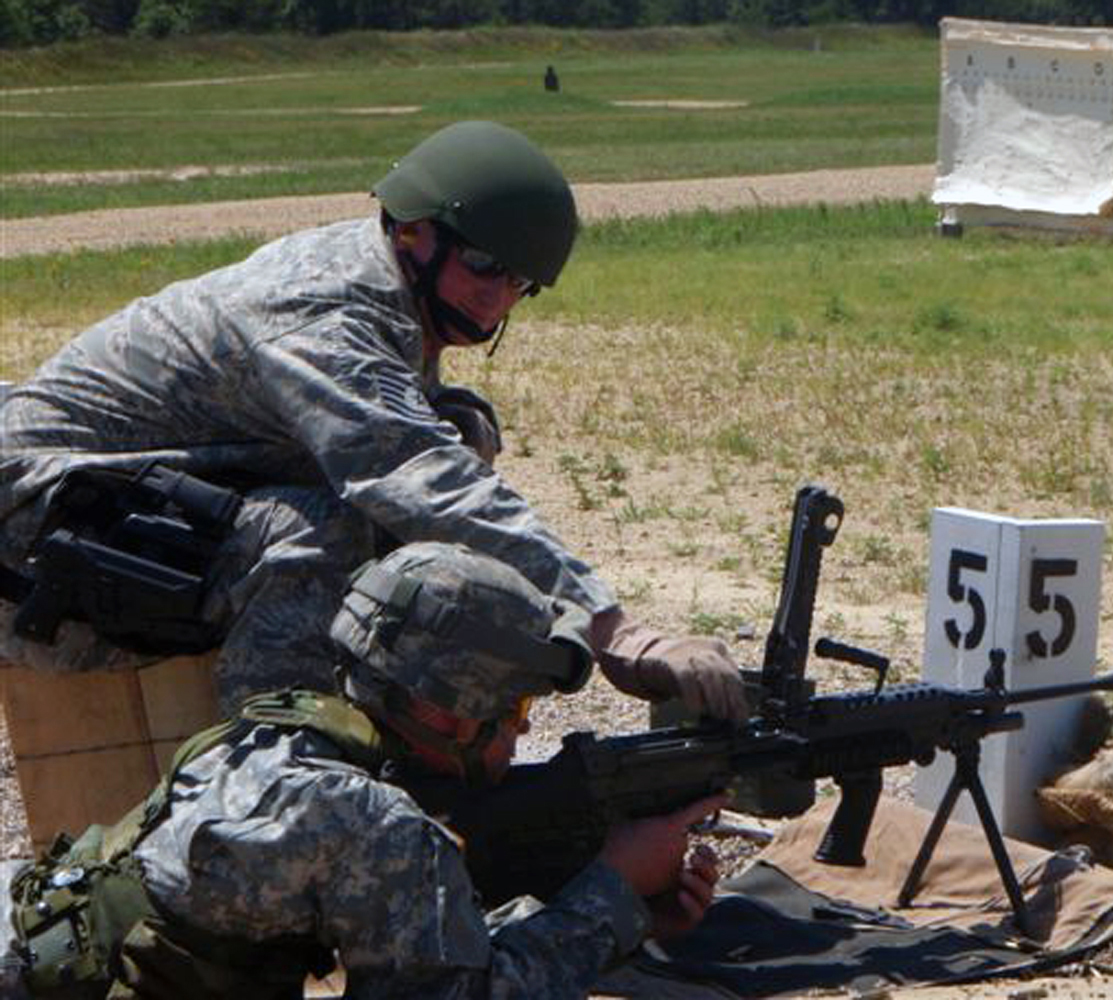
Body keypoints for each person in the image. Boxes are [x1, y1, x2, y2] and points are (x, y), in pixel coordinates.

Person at [0, 119, 747, 721]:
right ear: (413, 230)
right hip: (30, 538)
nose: (498, 298)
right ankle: (278, 782)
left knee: (447, 446)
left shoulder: (389, 288)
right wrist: (610, 626)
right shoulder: (321, 310)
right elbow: (422, 483)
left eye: (522, 283)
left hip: (110, 506)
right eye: (486, 265)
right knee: (324, 533)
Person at [1, 541, 725, 999]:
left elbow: (424, 949)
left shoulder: (277, 729)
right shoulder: (379, 823)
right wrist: (613, 889)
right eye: (516, 708)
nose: (522, 731)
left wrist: (626, 914)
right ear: (446, 713)